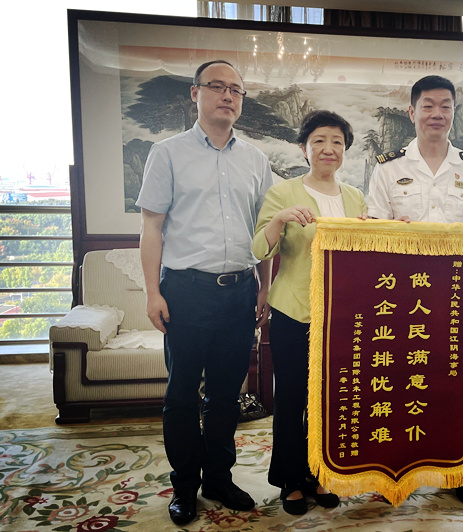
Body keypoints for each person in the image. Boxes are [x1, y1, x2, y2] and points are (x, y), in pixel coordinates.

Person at [137, 59, 274, 526]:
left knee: (225, 396)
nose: (228, 95)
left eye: (236, 89)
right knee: (181, 396)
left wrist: (264, 288)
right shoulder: (167, 153)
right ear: (195, 94)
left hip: (239, 293)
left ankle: (218, 478)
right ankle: (184, 486)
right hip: (186, 292)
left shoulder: (256, 159)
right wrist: (152, 292)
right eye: (217, 86)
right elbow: (152, 228)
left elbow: (264, 231)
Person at [366, 75, 463, 507]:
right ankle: (396, 466)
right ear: (412, 112)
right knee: (398, 383)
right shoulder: (388, 168)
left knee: (455, 384)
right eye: (428, 105)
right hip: (401, 300)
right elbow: (373, 231)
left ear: (454, 113)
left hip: (456, 299)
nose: (436, 114)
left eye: (445, 106)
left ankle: (458, 472)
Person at [252, 110, 366, 515]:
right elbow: (259, 248)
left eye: (337, 142)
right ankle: (290, 479)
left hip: (342, 317)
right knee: (292, 398)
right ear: (304, 148)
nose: (328, 149)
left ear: (344, 150)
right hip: (294, 312)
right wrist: (280, 219)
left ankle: (320, 473)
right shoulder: (284, 193)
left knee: (330, 399)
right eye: (319, 140)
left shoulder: (354, 197)